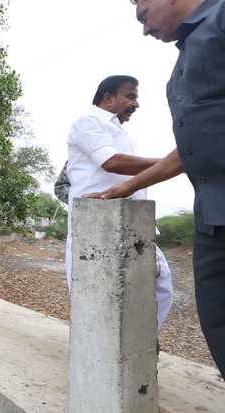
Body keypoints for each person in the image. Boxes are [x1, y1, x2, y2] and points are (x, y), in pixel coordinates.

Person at [89, 0, 225, 376]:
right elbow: (189, 149)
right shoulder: (183, 60)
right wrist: (125, 188)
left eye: (143, 16)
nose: (145, 30)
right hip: (212, 218)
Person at [66, 75, 174, 330]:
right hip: (98, 222)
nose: (136, 104)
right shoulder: (88, 121)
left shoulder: (119, 132)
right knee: (95, 292)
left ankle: (141, 338)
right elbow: (111, 162)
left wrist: (169, 165)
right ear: (108, 98)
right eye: (131, 96)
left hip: (133, 221)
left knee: (160, 283)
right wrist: (170, 163)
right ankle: (99, 354)